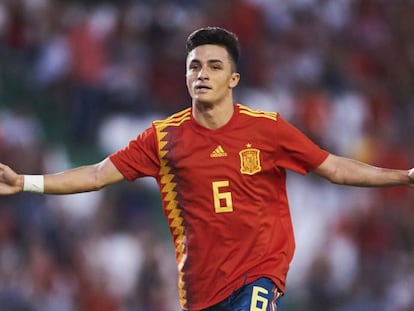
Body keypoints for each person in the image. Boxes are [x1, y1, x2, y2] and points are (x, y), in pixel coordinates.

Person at [0, 26, 413, 311]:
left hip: (259, 275)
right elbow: (95, 175)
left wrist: (403, 176)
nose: (202, 74)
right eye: (194, 66)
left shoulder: (268, 130)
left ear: (233, 78)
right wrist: (26, 182)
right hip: (200, 290)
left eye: (214, 66)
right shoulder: (163, 138)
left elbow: (335, 168)